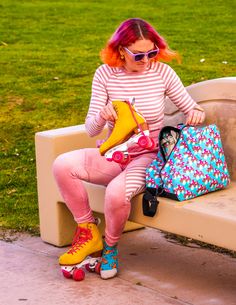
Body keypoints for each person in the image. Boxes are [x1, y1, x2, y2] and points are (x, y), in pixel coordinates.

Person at [53, 18, 205, 280]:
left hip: (148, 156)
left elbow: (190, 106)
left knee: (115, 194)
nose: (146, 60)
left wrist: (196, 113)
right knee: (63, 165)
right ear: (121, 50)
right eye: (138, 55)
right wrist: (103, 114)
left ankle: (110, 247)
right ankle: (88, 231)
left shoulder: (161, 72)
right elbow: (91, 129)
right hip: (114, 154)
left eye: (152, 52)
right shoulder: (105, 74)